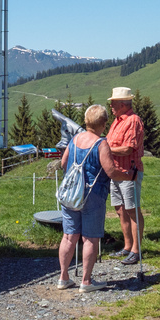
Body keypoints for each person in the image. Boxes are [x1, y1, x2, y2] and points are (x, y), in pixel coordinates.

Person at [55, 104, 112, 291]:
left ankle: (64, 277)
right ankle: (86, 281)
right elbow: (110, 170)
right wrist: (129, 174)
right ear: (103, 124)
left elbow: (64, 163)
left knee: (69, 236)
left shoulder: (75, 139)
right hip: (92, 196)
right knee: (90, 238)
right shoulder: (101, 144)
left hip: (71, 195)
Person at [103, 86, 147, 263]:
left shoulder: (133, 121)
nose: (111, 106)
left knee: (132, 209)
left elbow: (128, 148)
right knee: (121, 210)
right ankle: (127, 246)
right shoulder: (117, 121)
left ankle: (136, 250)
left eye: (113, 103)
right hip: (116, 173)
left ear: (122, 104)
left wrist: (105, 150)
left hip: (129, 172)